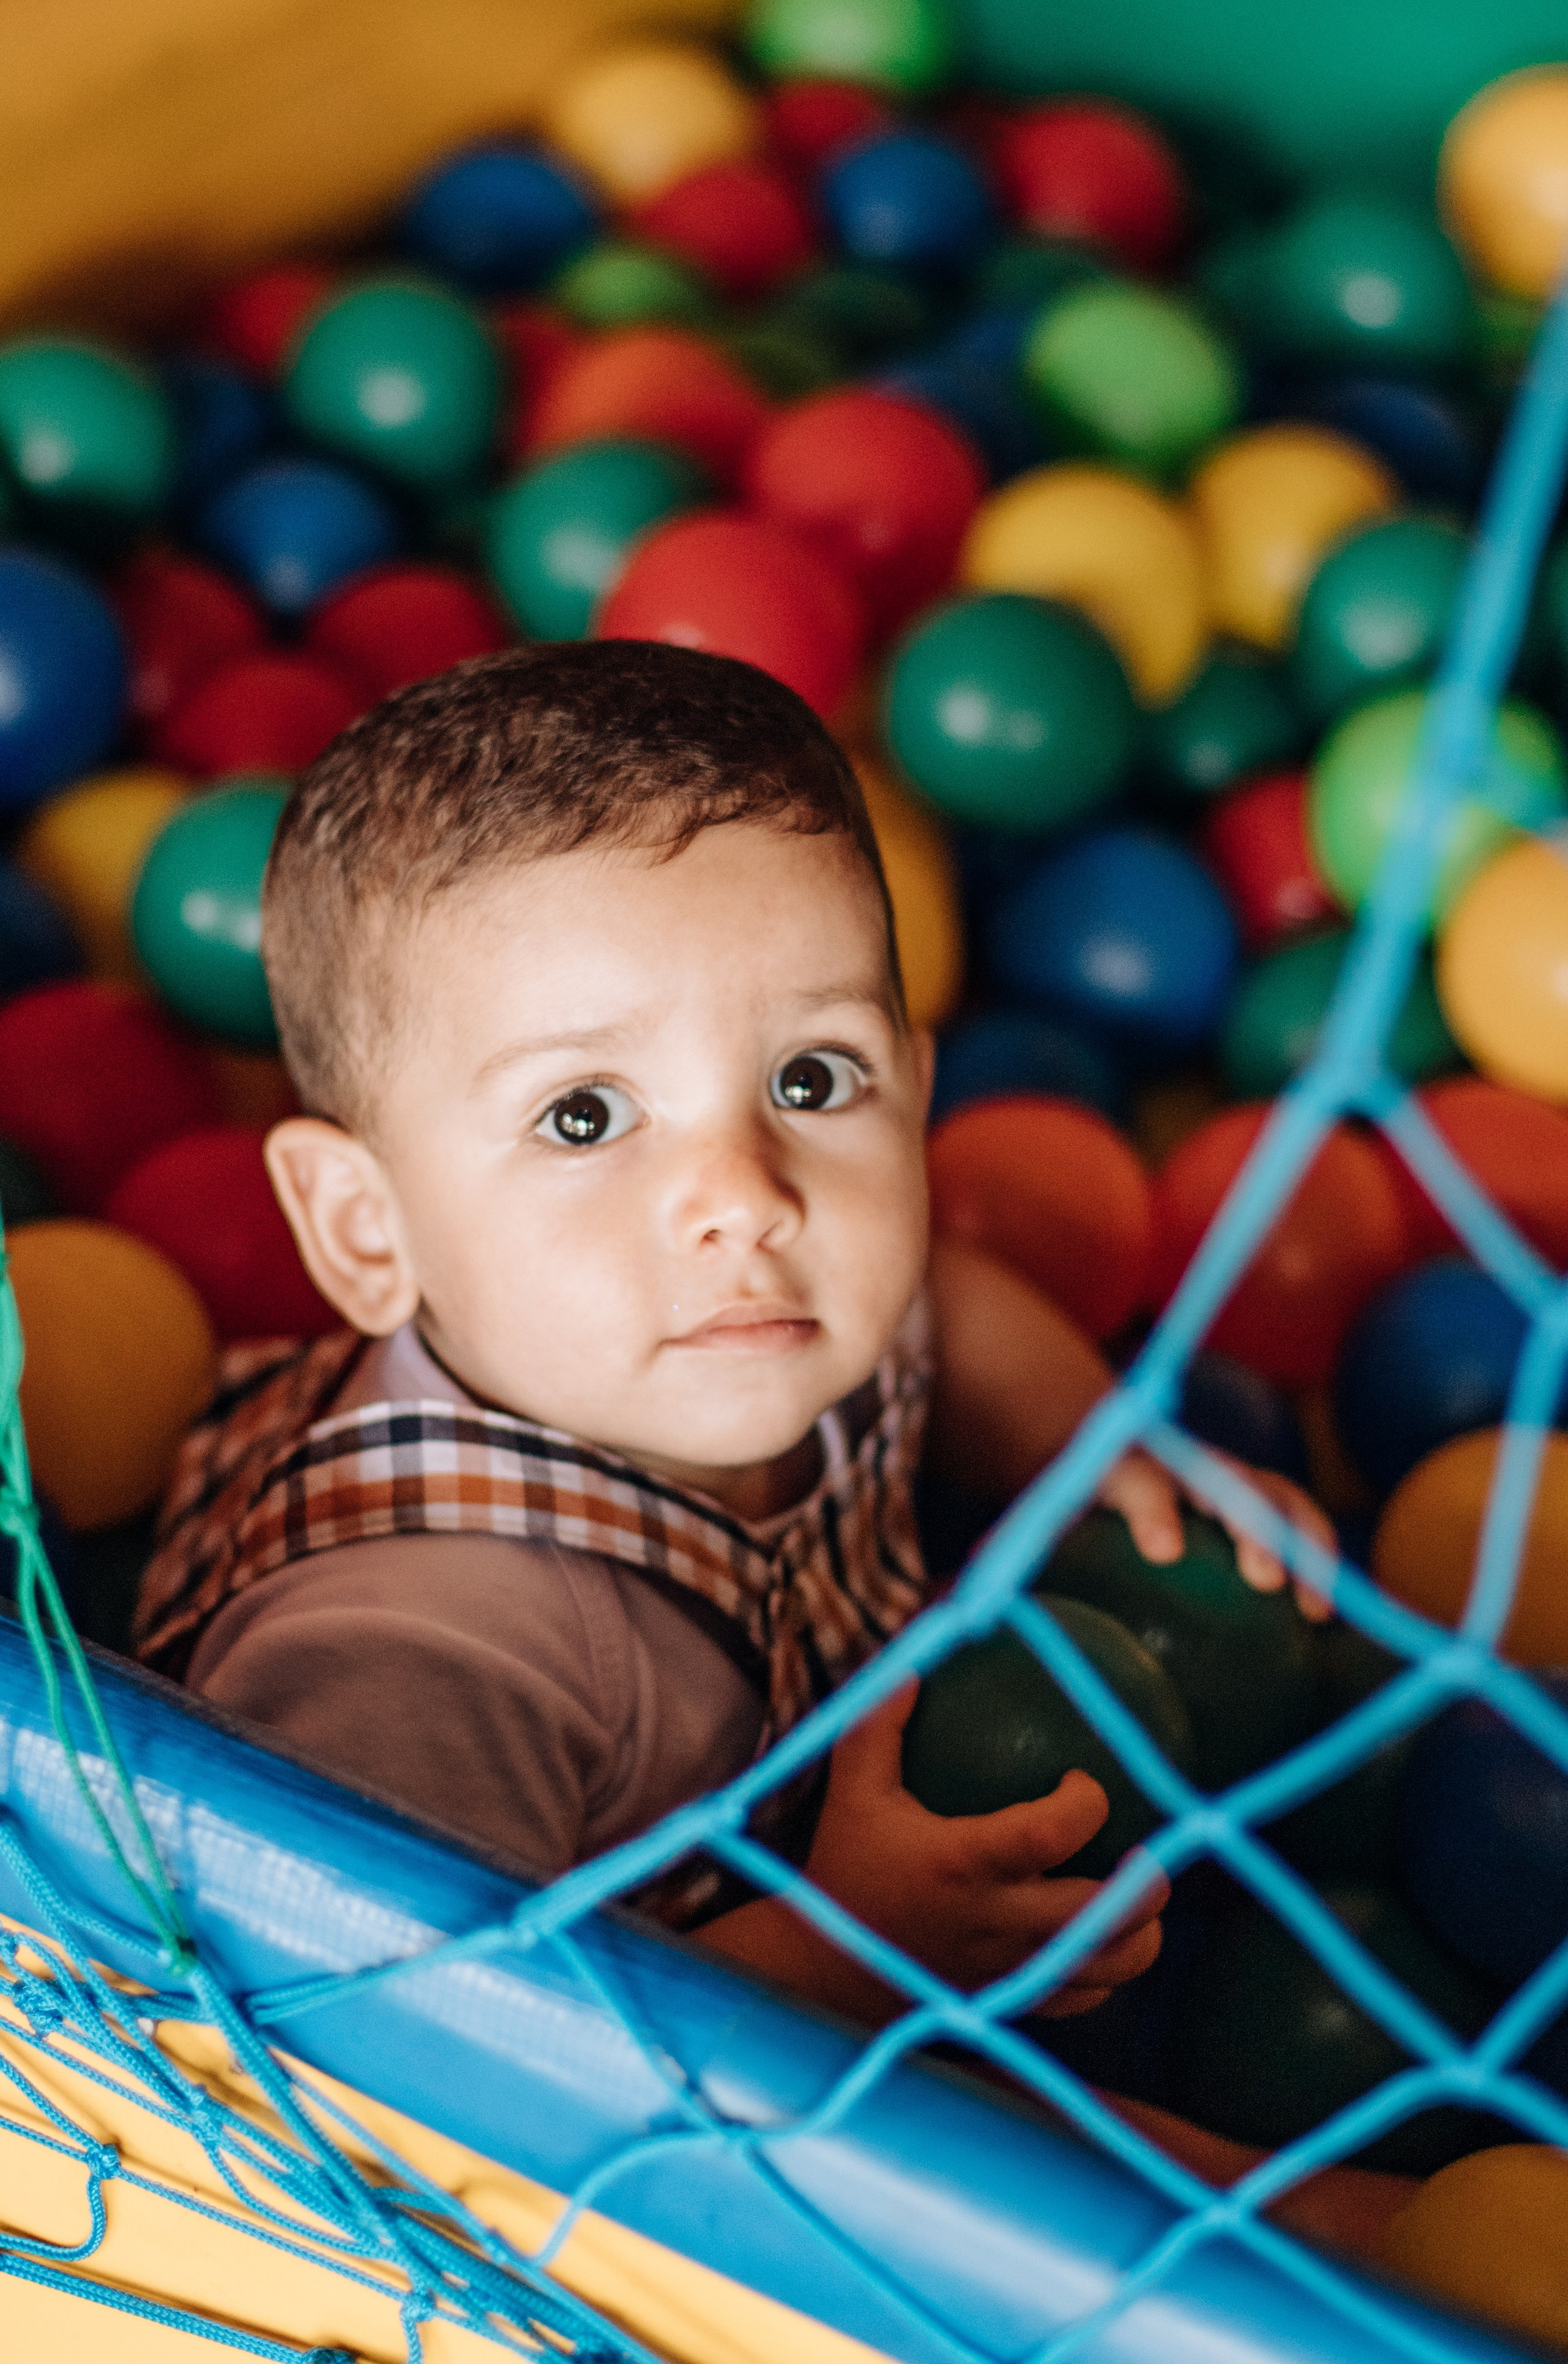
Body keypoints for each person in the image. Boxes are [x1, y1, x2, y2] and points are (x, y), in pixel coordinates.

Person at [135, 644, 1361, 2212]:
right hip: (653, 2088)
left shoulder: (764, 1312)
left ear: (913, 1100)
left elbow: (950, 1309)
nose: (744, 1195)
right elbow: (416, 2098)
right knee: (1097, 2188)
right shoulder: (427, 1648)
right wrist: (842, 1953)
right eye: (585, 1115)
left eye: (810, 1077)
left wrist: (1092, 1448)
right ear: (367, 1228)